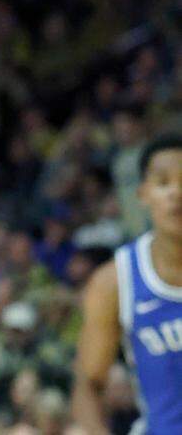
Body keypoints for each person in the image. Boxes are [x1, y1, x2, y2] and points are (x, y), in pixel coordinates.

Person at [72, 135, 182, 434]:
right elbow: (88, 385)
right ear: (143, 193)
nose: (177, 193)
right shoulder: (115, 281)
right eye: (163, 182)